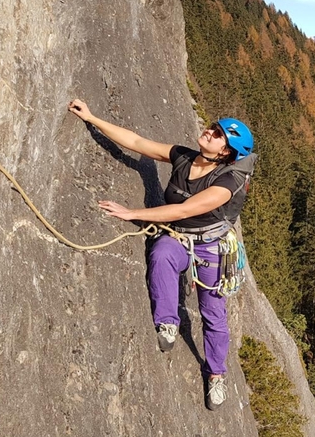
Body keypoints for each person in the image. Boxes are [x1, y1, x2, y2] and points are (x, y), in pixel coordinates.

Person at [67, 99, 254, 411]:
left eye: (219, 134)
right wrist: (92, 118)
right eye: (213, 127)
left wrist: (133, 213)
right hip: (180, 238)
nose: (209, 131)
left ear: (226, 152)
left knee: (213, 313)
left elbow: (184, 209)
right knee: (162, 253)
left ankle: (216, 374)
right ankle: (167, 322)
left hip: (211, 248)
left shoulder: (226, 182)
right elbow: (138, 143)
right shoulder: (184, 156)